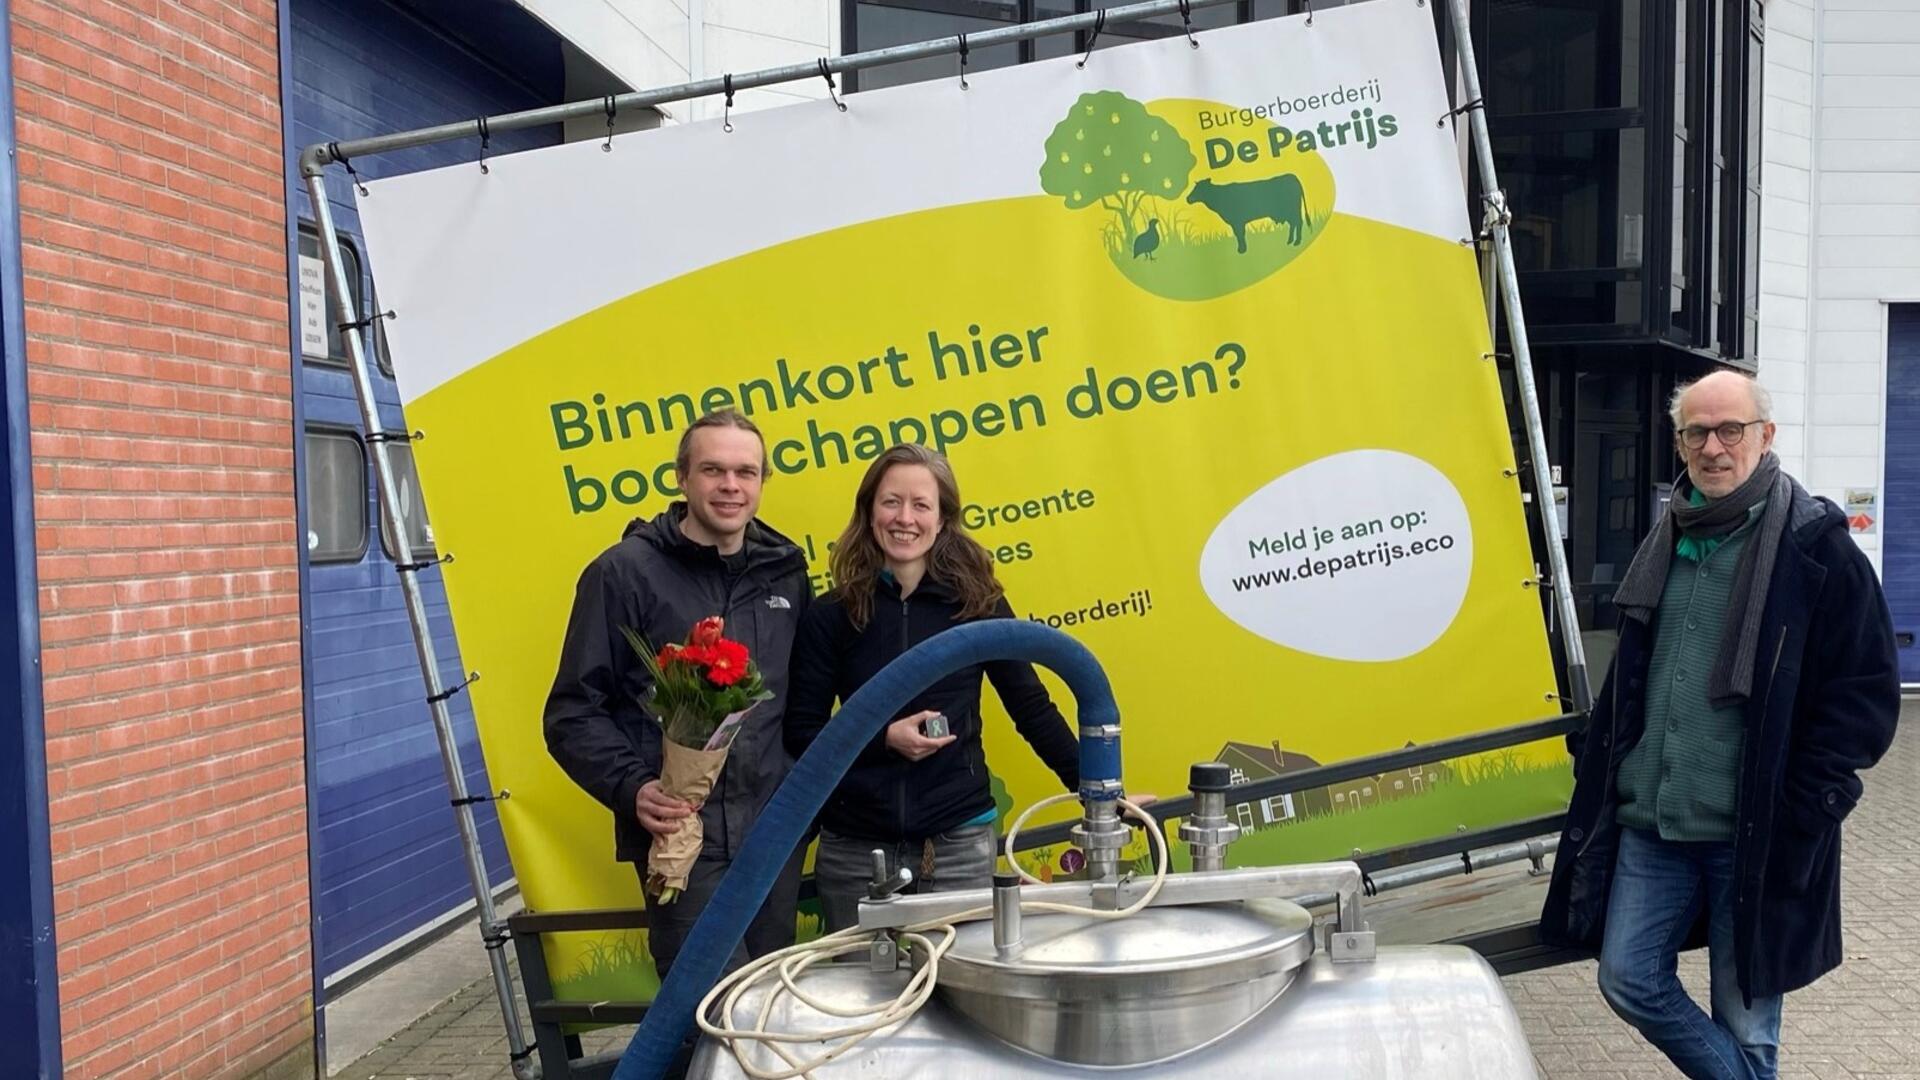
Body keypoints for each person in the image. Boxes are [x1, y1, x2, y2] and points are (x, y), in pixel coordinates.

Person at [1540, 370, 1899, 1080]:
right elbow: (1637, 677)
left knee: (1747, 1021)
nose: (1713, 447)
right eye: (1696, 432)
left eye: (1730, 429)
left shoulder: (1816, 550)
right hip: (1655, 824)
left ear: (1765, 437)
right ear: (1679, 443)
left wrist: (1813, 802)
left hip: (1756, 832)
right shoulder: (1665, 540)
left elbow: (1865, 694)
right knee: (1628, 978)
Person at [544, 409, 812, 979]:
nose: (730, 486)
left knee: (772, 1001)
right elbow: (571, 712)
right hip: (682, 842)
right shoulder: (623, 574)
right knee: (706, 1014)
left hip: (772, 838)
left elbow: (804, 702)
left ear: (764, 481)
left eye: (746, 472)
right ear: (681, 478)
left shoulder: (785, 572)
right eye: (713, 470)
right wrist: (630, 787)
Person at [784, 443, 1081, 932]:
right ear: (868, 512)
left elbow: (1030, 707)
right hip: (857, 853)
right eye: (891, 502)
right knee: (862, 997)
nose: (905, 518)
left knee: (960, 992)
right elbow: (802, 731)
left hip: (959, 846)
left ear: (943, 519)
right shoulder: (832, 613)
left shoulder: (978, 603)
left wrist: (1098, 791)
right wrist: (884, 738)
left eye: (921, 504)